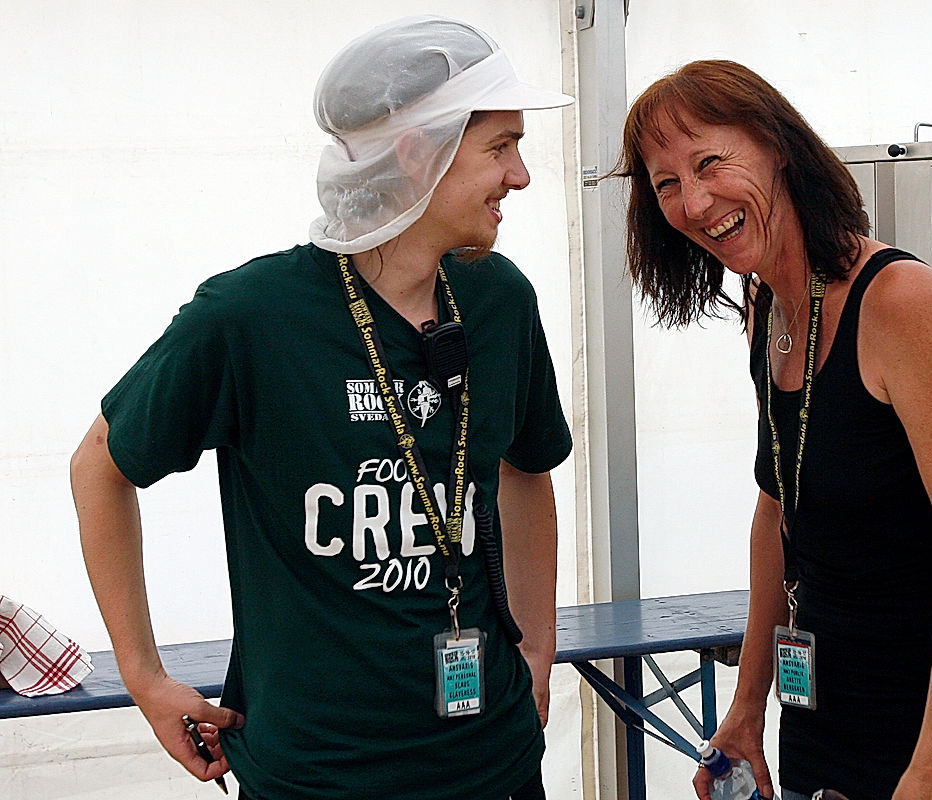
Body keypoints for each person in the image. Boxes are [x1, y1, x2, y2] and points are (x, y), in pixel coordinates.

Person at [70, 16, 572, 800]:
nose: (521, 176)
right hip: (315, 774)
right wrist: (143, 675)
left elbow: (527, 470)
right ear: (420, 150)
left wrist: (537, 646)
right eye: (500, 147)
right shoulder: (250, 317)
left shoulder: (499, 301)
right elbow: (100, 464)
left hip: (493, 761)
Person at [615, 60, 932, 800]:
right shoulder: (765, 310)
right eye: (667, 182)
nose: (696, 200)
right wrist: (746, 706)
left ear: (778, 147)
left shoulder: (899, 300)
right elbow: (776, 509)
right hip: (817, 715)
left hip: (930, 725)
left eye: (710, 162)